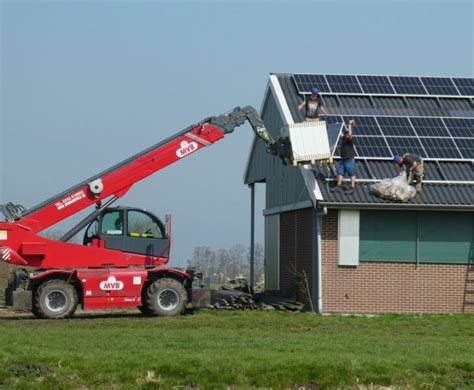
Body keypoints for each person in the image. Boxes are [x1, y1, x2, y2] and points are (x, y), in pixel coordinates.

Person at [332, 119, 356, 194]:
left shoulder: (349, 140)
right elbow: (340, 134)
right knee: (340, 173)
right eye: (345, 134)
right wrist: (337, 127)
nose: (346, 134)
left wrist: (349, 125)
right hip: (343, 160)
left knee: (351, 174)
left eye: (347, 134)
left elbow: (350, 134)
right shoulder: (343, 139)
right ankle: (338, 186)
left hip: (349, 160)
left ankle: (352, 188)